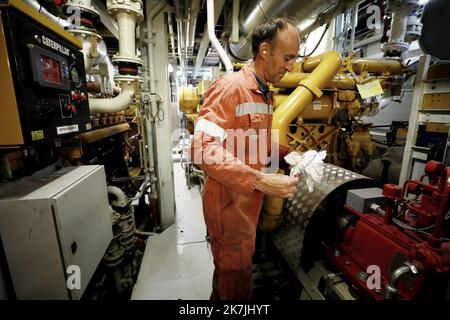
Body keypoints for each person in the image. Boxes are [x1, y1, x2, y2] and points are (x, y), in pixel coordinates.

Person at [190, 18, 300, 300]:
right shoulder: (230, 88)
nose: (291, 67)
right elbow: (202, 149)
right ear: (265, 50)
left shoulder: (265, 94)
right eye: (288, 58)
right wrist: (261, 180)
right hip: (228, 208)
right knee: (236, 284)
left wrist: (293, 155)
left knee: (231, 280)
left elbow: (257, 143)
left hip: (246, 205)